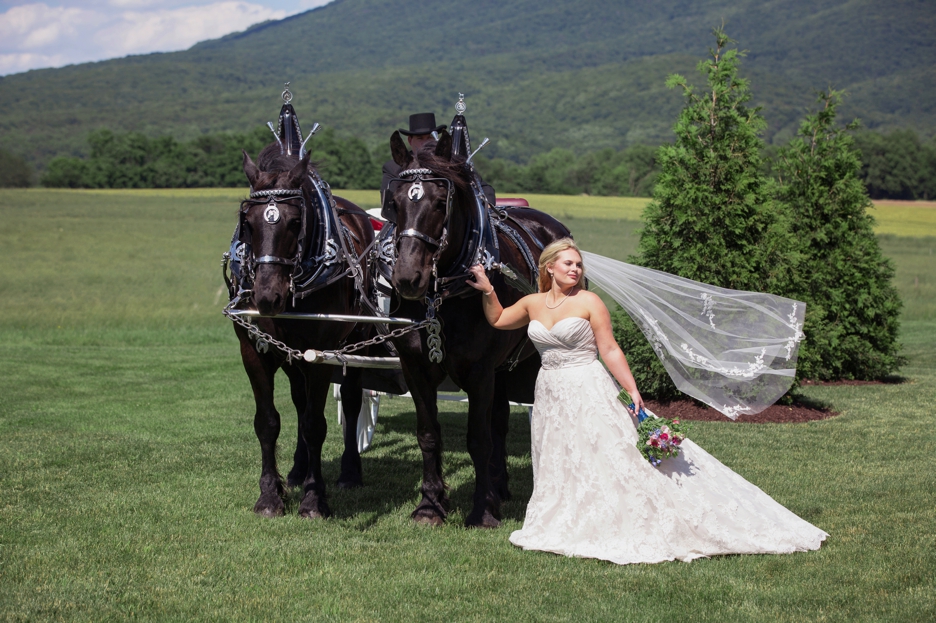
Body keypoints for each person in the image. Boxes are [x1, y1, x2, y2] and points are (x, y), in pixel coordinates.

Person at [467, 238, 827, 565]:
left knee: (605, 452)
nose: (575, 270)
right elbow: (498, 318)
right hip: (550, 391)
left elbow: (609, 348)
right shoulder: (531, 303)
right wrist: (487, 290)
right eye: (568, 264)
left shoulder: (590, 302)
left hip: (587, 385)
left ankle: (623, 517)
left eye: (578, 265)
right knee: (560, 452)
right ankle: (566, 516)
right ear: (549, 267)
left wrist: (632, 390)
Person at [381, 112, 495, 210]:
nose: (425, 143)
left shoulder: (449, 164)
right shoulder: (393, 167)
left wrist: (487, 205)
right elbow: (388, 202)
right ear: (410, 141)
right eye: (420, 138)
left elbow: (484, 188)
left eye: (429, 138)